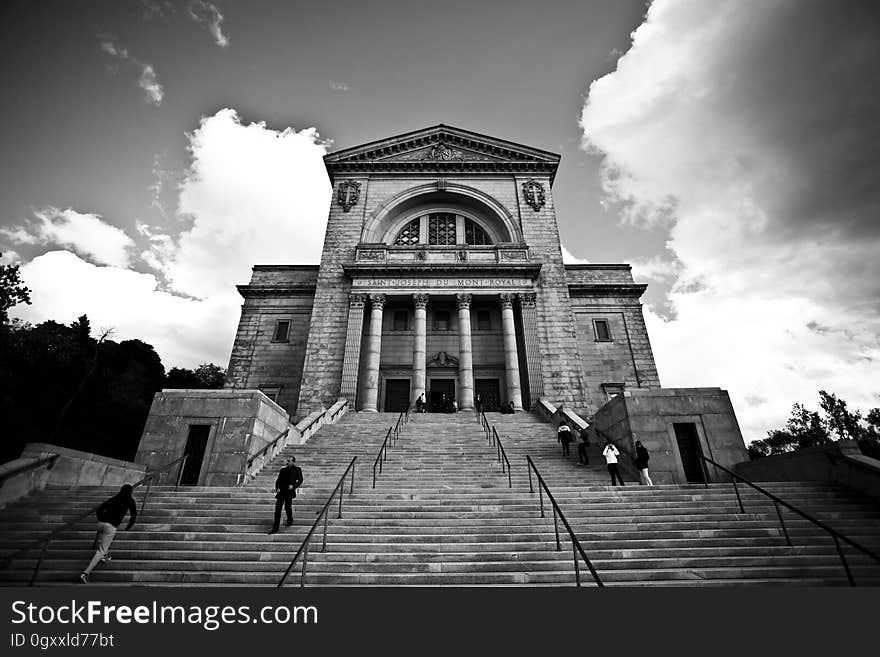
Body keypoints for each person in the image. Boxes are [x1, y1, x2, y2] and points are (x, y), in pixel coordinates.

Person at [79, 484, 137, 583]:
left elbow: (100, 508)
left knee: (104, 544)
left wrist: (101, 519)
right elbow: (134, 515)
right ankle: (85, 573)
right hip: (111, 526)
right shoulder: (130, 500)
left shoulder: (115, 498)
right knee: (101, 550)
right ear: (130, 492)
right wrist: (128, 526)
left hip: (101, 524)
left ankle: (106, 555)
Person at [269, 456, 303, 534]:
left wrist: (294, 486)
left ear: (293, 462)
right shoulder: (283, 470)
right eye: (287, 461)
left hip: (289, 491)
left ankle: (290, 520)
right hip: (281, 491)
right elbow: (278, 480)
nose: (287, 462)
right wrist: (277, 488)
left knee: (288, 507)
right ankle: (275, 527)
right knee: (277, 509)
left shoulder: (297, 469)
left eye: (289, 461)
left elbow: (300, 480)